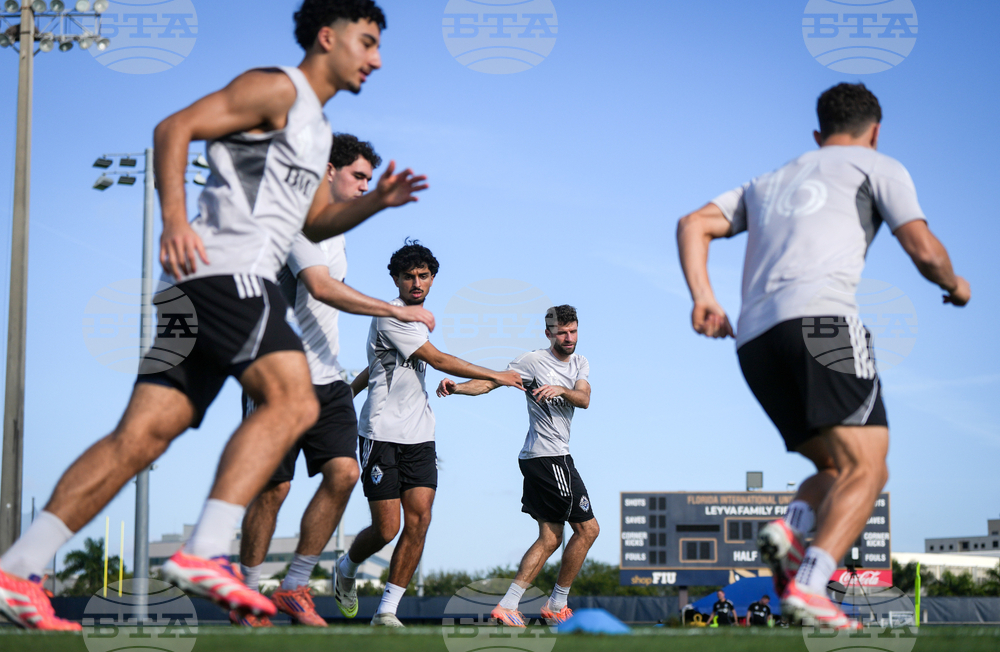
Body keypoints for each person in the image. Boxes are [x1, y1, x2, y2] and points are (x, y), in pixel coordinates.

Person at [0, 0, 430, 630]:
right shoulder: (275, 87)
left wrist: (378, 203)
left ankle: (17, 568)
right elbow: (174, 128)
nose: (377, 58)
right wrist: (175, 219)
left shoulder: (315, 128)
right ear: (327, 37)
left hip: (193, 293)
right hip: (226, 273)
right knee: (296, 400)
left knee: (139, 437)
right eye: (367, 42)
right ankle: (206, 550)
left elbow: (313, 220)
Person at [677, 82, 970, 629]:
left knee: (834, 465)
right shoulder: (876, 165)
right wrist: (956, 285)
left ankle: (790, 527)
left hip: (756, 341)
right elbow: (925, 251)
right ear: (875, 131)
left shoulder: (767, 181)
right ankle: (811, 583)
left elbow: (693, 222)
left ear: (817, 133)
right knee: (869, 466)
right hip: (824, 323)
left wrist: (704, 298)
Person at [233, 134, 435, 627]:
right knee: (273, 490)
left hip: (327, 376)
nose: (366, 186)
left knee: (343, 474)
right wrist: (393, 309)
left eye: (370, 178)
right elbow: (322, 286)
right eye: (359, 176)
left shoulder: (336, 232)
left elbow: (333, 288)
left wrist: (355, 380)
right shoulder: (296, 219)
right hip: (275, 371)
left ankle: (296, 584)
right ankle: (246, 593)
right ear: (328, 171)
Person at [333, 241, 524, 628]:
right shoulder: (392, 316)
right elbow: (436, 359)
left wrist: (345, 394)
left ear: (433, 279)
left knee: (419, 521)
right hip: (380, 433)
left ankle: (387, 611)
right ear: (396, 280)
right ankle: (346, 567)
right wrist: (497, 374)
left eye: (423, 275)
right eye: (408, 276)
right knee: (387, 528)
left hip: (420, 434)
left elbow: (376, 365)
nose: (416, 282)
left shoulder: (418, 320)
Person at [436, 305, 598, 628]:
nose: (569, 338)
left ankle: (510, 604)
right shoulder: (533, 362)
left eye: (573, 331)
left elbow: (584, 398)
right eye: (562, 332)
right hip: (549, 458)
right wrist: (457, 387)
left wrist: (561, 390)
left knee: (551, 538)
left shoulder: (580, 363)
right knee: (588, 529)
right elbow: (492, 382)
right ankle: (556, 604)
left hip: (546, 459)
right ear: (549, 333)